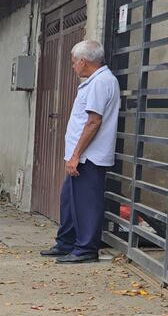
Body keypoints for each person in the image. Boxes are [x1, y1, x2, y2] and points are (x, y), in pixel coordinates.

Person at [39, 40, 119, 264]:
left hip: (89, 156)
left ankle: (86, 249)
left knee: (86, 203)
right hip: (82, 155)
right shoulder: (95, 81)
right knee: (69, 200)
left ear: (83, 61)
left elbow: (93, 122)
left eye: (74, 62)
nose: (73, 66)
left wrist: (76, 155)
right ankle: (66, 243)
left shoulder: (101, 82)